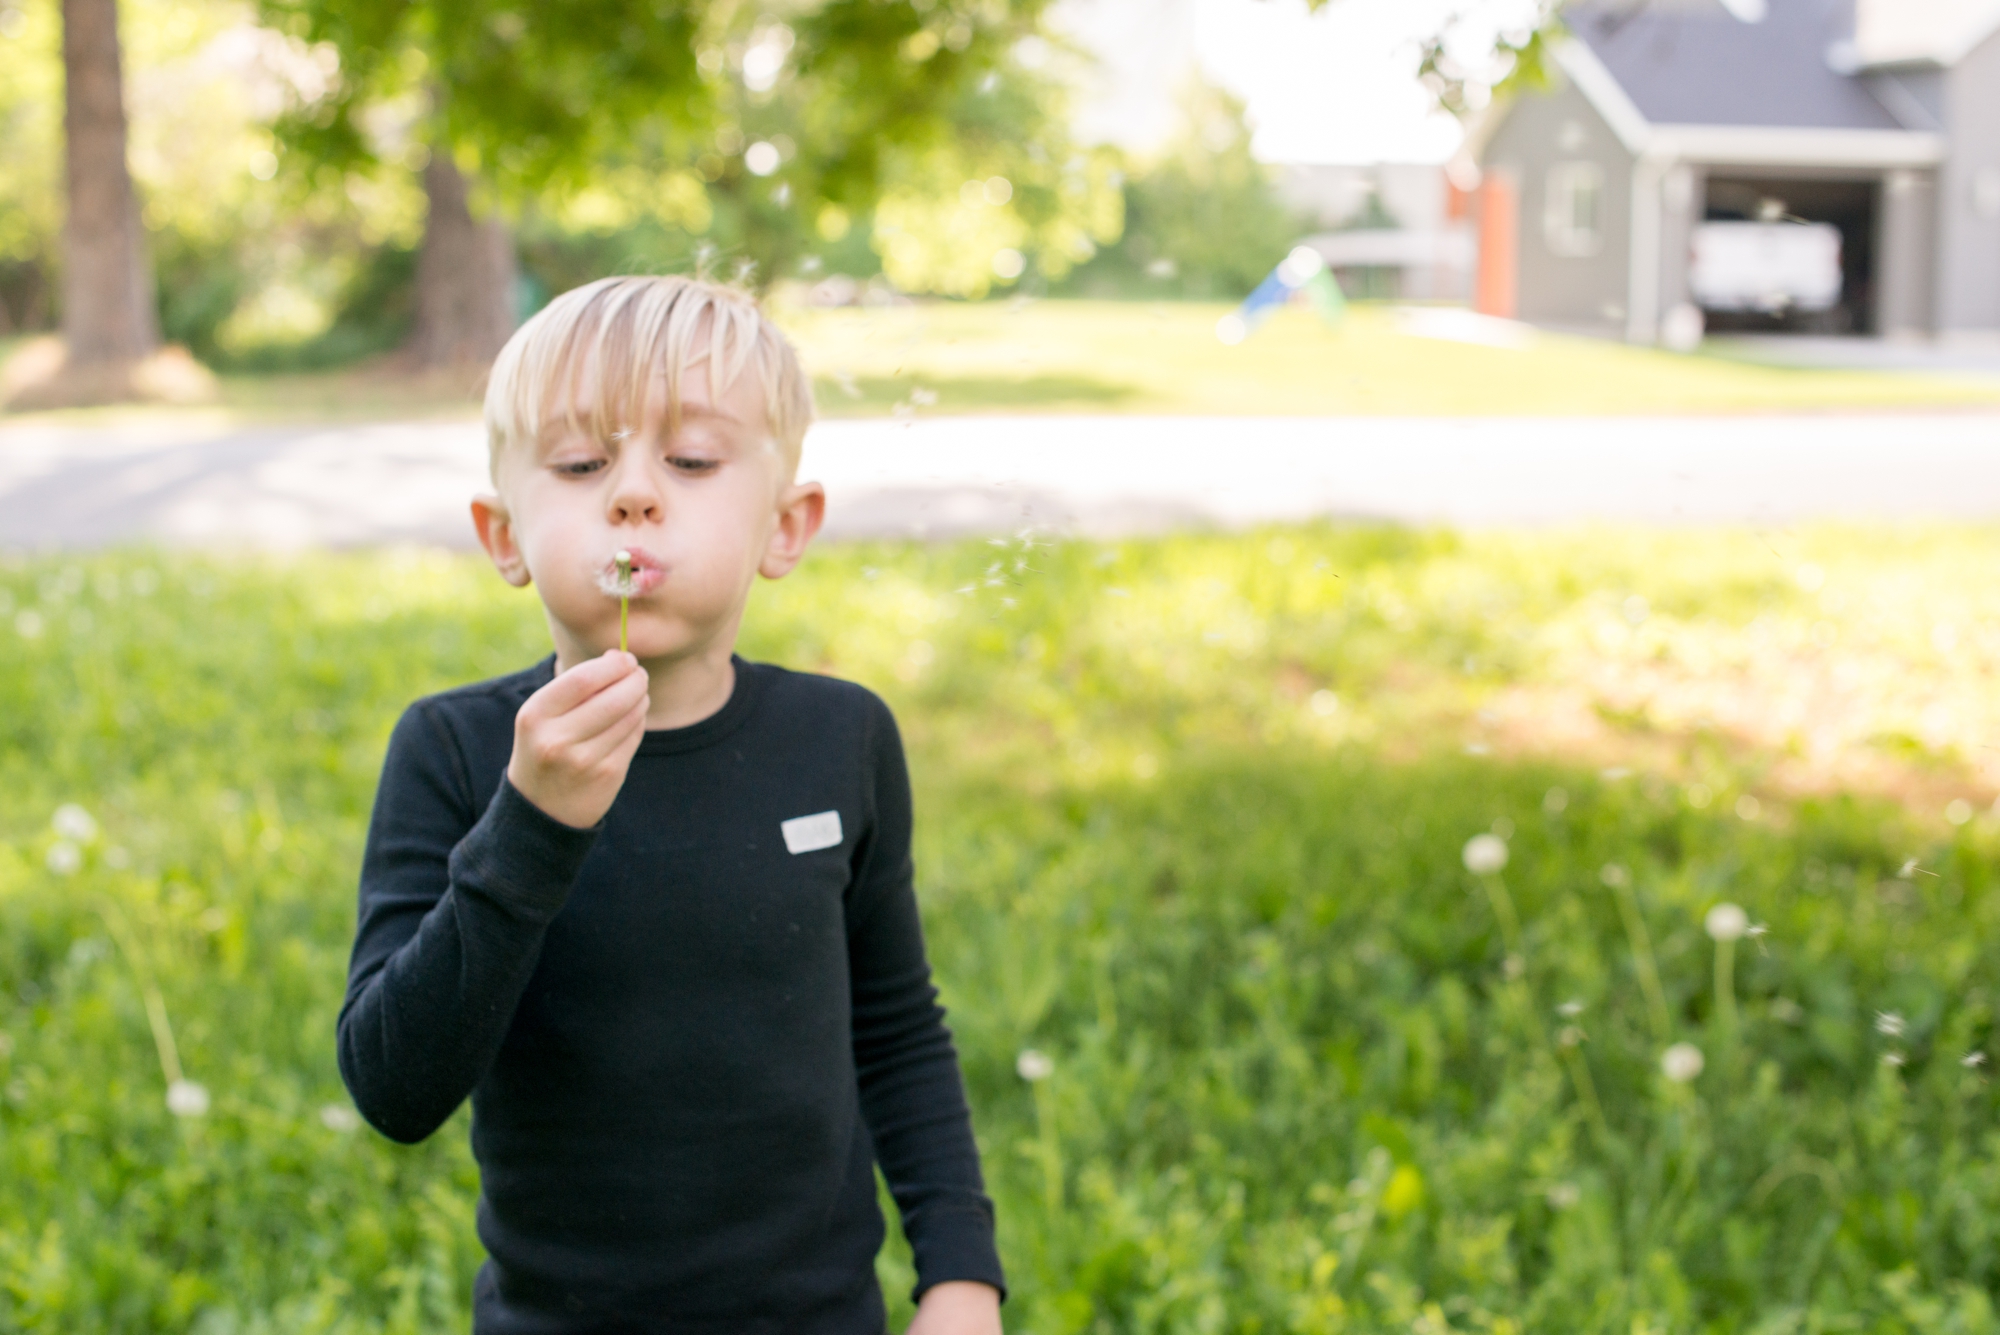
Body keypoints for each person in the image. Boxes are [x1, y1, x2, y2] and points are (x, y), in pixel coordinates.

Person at [338, 275, 1005, 1333]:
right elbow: (394, 1087)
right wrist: (532, 823)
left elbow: (893, 1027)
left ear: (785, 528)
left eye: (690, 461)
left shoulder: (840, 740)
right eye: (579, 464)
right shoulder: (458, 754)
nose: (634, 496)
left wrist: (960, 1274)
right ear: (502, 535)